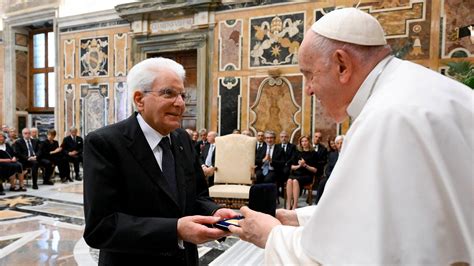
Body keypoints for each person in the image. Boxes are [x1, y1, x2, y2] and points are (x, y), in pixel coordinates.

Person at [229, 7, 473, 265]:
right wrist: (296, 218)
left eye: (309, 74)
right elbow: (384, 215)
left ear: (342, 64)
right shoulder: (430, 90)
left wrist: (271, 235)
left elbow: (340, 258)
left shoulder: (383, 118)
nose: (309, 90)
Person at [83, 57, 237, 265]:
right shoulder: (105, 143)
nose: (181, 103)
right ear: (139, 99)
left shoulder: (182, 138)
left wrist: (214, 212)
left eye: (182, 95)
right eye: (168, 93)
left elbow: (197, 196)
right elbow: (101, 228)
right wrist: (174, 230)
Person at [285, 135, 317, 210]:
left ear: (309, 142)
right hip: (297, 172)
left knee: (295, 181)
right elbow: (291, 166)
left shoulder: (314, 153)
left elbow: (315, 170)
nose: (304, 143)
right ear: (300, 143)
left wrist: (305, 165)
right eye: (302, 141)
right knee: (289, 180)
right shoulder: (297, 152)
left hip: (307, 175)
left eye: (306, 141)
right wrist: (299, 166)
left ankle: (295, 205)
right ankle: (288, 203)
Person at [314, 135, 343, 204]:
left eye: (341, 143)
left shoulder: (349, 155)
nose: (340, 145)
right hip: (332, 176)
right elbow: (327, 169)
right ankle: (317, 203)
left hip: (344, 177)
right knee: (322, 182)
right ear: (336, 145)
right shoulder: (332, 155)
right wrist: (332, 176)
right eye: (338, 143)